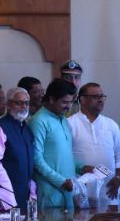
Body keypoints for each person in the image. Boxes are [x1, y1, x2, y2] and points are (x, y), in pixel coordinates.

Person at [31, 78, 92, 209]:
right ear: (52, 99)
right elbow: (36, 160)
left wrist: (81, 167)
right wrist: (61, 181)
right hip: (50, 193)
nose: (68, 106)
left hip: (68, 191)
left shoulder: (63, 120)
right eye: (64, 102)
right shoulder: (39, 121)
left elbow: (64, 155)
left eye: (71, 102)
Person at [67, 83, 120, 207]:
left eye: (102, 96)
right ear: (82, 99)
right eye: (95, 96)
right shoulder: (70, 124)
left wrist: (118, 178)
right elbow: (65, 156)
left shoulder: (111, 124)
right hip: (81, 190)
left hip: (109, 189)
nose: (100, 100)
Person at [0, 87, 36, 213]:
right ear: (8, 104)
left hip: (24, 197)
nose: (24, 106)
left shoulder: (26, 129)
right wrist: (9, 202)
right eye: (19, 102)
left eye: (26, 103)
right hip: (4, 201)